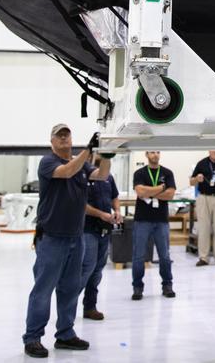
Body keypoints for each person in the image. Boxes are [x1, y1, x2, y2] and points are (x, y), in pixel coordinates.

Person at [24, 124, 112, 359]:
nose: (63, 138)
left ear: (72, 139)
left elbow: (102, 175)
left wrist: (107, 154)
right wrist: (89, 150)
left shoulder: (82, 164)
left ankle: (65, 334)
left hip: (76, 237)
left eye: (66, 135)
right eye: (59, 135)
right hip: (52, 238)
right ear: (52, 141)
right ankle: (32, 338)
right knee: (43, 290)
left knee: (70, 289)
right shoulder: (48, 162)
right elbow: (66, 171)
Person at [131, 151, 177, 301]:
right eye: (152, 152)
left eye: (157, 152)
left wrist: (149, 192)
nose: (155, 155)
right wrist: (161, 188)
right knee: (138, 256)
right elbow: (140, 192)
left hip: (161, 220)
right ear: (146, 154)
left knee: (164, 256)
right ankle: (137, 287)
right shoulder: (139, 173)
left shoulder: (167, 173)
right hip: (142, 220)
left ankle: (167, 285)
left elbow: (170, 195)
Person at [79, 163, 121, 321]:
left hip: (104, 229)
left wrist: (117, 211)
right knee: (87, 268)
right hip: (88, 229)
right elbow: (80, 204)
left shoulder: (108, 177)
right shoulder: (82, 175)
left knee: (97, 270)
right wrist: (101, 214)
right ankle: (67, 305)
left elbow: (114, 197)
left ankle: (90, 307)